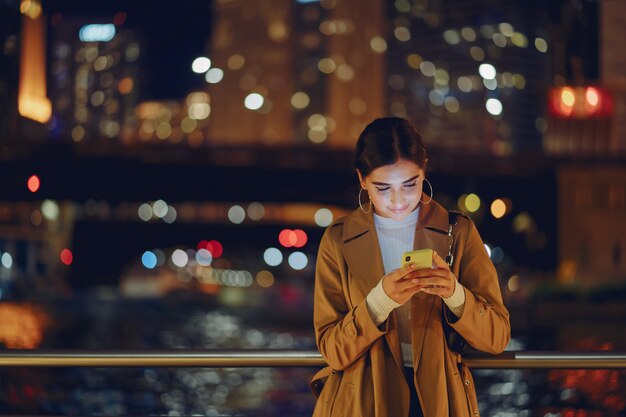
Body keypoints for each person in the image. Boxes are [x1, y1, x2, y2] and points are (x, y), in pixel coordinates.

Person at [311, 117, 510, 417]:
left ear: (424, 170)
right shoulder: (338, 239)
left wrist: (454, 294)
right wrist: (379, 302)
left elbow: (497, 337)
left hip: (439, 397)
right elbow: (332, 349)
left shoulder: (458, 232)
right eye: (383, 188)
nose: (398, 200)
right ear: (362, 180)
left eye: (410, 184)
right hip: (364, 400)